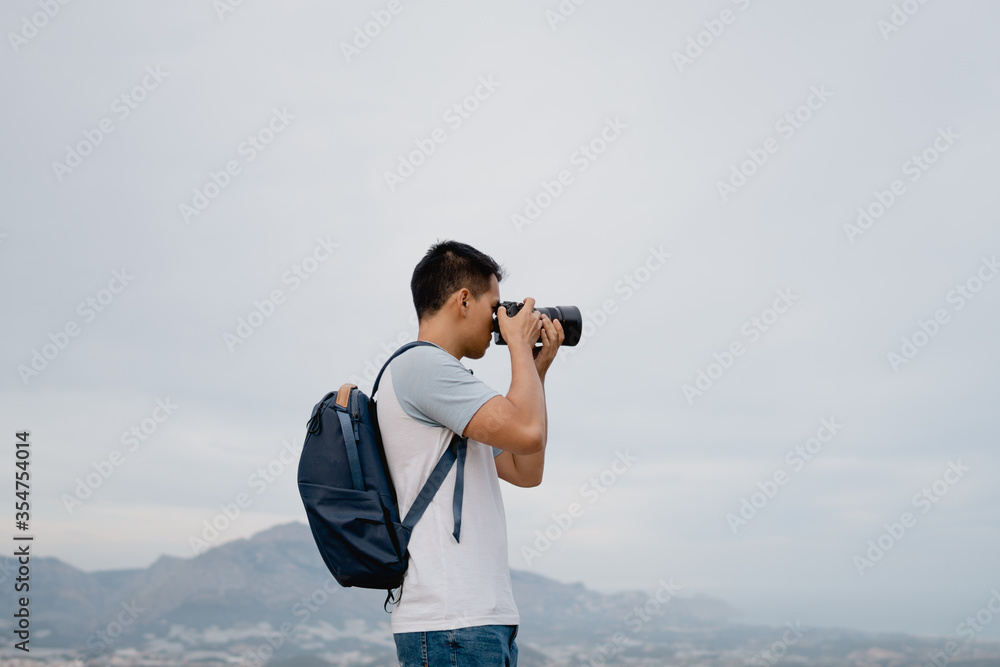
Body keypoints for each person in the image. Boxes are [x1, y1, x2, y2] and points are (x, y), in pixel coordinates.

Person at [378, 240, 564, 666]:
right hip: (452, 624)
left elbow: (525, 467)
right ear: (464, 300)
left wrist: (535, 373)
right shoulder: (422, 368)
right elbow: (529, 433)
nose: (502, 320)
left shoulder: (449, 386)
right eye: (496, 306)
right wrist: (519, 347)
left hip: (473, 620)